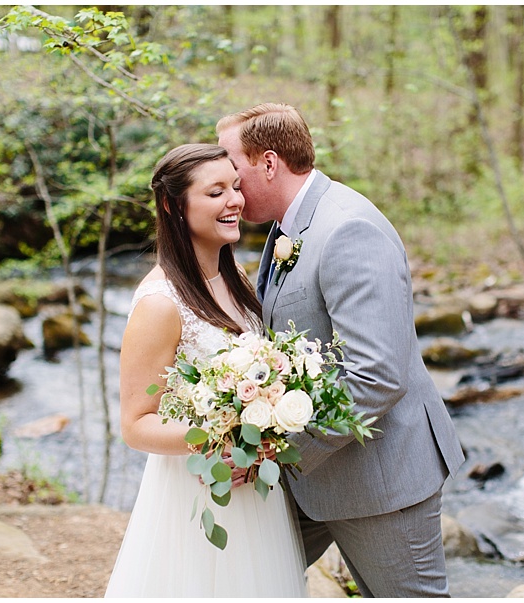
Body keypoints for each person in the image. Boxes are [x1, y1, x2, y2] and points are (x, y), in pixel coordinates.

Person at [217, 103, 466, 597]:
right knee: (240, 582)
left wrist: (277, 451)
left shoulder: (349, 229)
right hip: (318, 476)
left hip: (381, 477)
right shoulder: (286, 225)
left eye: (231, 165)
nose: (226, 178)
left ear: (268, 164)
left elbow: (376, 376)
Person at [104, 143, 308, 597]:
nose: (235, 200)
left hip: (253, 489)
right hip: (197, 491)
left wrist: (265, 437)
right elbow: (136, 425)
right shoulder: (160, 303)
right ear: (173, 205)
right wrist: (226, 442)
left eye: (235, 187)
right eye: (215, 192)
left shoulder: (235, 280)